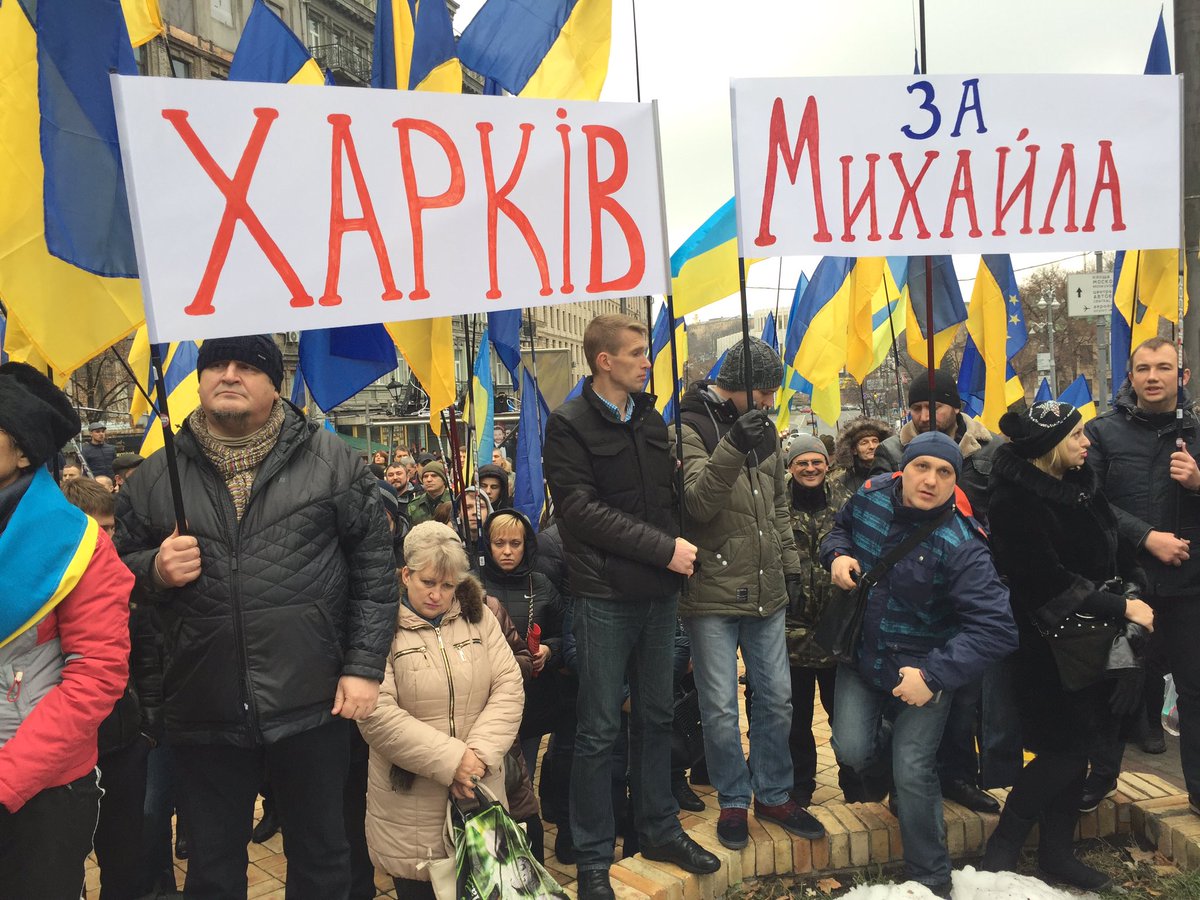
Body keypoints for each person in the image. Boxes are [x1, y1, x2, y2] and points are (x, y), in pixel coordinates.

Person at [115, 334, 399, 899]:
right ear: (199, 380)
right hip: (203, 702)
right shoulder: (153, 477)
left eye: (246, 365)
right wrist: (154, 569)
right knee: (212, 868)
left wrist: (364, 667)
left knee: (322, 858)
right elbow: (113, 574)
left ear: (275, 383)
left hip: (313, 701)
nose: (229, 375)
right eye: (216, 364)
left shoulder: (334, 463)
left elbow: (374, 568)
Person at [543, 314, 719, 899]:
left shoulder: (649, 418)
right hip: (604, 597)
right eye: (638, 352)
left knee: (656, 717)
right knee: (597, 730)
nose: (648, 361)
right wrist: (665, 549)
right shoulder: (568, 424)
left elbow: (663, 502)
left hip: (658, 595)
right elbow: (580, 511)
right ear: (605, 361)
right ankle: (594, 858)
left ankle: (658, 829)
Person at [821, 432, 1018, 897]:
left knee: (913, 769)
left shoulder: (962, 541)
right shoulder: (871, 495)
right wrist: (837, 554)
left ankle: (930, 877)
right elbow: (838, 529)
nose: (930, 480)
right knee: (851, 750)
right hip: (862, 657)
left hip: (924, 672)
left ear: (955, 480)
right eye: (921, 467)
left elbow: (997, 628)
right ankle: (893, 739)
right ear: (903, 469)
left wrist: (932, 677)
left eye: (944, 472)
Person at [983, 401, 1153, 890]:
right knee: (1063, 751)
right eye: (1076, 435)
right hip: (1048, 647)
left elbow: (1117, 546)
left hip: (1097, 640)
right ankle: (1003, 847)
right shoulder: (1013, 499)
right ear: (1050, 445)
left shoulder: (1082, 483)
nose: (1086, 442)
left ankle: (1057, 853)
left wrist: (1133, 590)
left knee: (1082, 749)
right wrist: (1122, 607)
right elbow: (1043, 581)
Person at [676, 339, 825, 851]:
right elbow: (697, 502)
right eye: (763, 392)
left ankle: (775, 793)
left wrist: (790, 566)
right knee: (719, 708)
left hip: (767, 590)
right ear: (737, 385)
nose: (768, 402)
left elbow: (778, 506)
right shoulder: (688, 427)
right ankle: (734, 798)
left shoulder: (765, 431)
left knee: (777, 700)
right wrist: (734, 444)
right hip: (712, 594)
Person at [0, 362, 133, 898]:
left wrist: (8, 779)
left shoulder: (81, 546)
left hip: (41, 788)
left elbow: (96, 677)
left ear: (24, 452)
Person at [871, 370, 1015, 810]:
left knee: (965, 695)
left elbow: (1004, 510)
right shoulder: (892, 450)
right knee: (908, 697)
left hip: (971, 581)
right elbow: (882, 512)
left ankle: (958, 776)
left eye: (932, 407)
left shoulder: (990, 449)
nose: (923, 416)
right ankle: (906, 783)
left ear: (955, 407)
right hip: (912, 591)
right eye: (916, 408)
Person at [358, 522, 523, 899]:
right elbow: (376, 712)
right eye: (428, 582)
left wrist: (477, 757)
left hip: (478, 790)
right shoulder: (379, 626)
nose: (437, 595)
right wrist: (453, 761)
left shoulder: (479, 617)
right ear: (406, 575)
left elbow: (508, 686)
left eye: (448, 585)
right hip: (410, 810)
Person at [1085, 336, 1200, 816]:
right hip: (1123, 584)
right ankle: (1098, 781)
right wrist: (1147, 536)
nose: (1153, 377)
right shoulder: (1102, 433)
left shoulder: (1197, 433)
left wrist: (1198, 483)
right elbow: (1089, 500)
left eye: (1164, 368)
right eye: (1144, 368)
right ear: (1130, 377)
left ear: (1182, 375)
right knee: (1112, 685)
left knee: (1194, 691)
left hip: (1189, 587)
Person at [782, 435, 867, 804]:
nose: (810, 468)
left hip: (838, 632)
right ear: (790, 466)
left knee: (845, 718)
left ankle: (856, 786)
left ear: (827, 464)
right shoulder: (776, 506)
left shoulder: (847, 503)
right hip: (791, 635)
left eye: (816, 461)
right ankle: (800, 787)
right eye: (802, 462)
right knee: (795, 721)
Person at [479, 510, 568, 778]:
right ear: (488, 545)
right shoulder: (472, 584)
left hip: (532, 698)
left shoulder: (541, 584)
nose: (507, 551)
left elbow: (565, 633)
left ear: (526, 545)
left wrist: (549, 651)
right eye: (499, 543)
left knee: (524, 773)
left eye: (515, 544)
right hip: (484, 698)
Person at [833, 418, 894, 496]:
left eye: (875, 441)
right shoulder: (843, 482)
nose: (872, 446)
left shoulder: (894, 473)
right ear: (854, 450)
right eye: (864, 443)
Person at [406, 460, 453, 525]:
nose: (429, 480)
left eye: (434, 476)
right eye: (425, 476)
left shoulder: (455, 503)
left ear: (444, 480)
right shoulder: (413, 505)